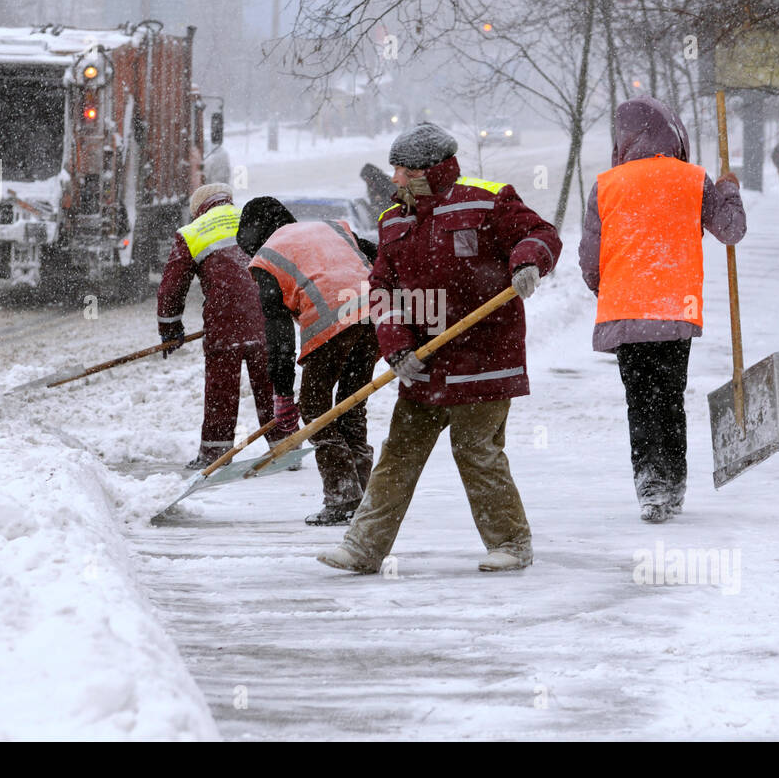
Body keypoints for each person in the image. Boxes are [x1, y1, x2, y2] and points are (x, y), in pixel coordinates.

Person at [318, 122, 562, 574]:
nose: (394, 179)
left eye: (403, 170)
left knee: (477, 451)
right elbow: (383, 292)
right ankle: (363, 547)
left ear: (432, 170)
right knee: (399, 454)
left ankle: (511, 543)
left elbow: (541, 234)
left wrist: (528, 263)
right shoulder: (394, 220)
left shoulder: (487, 200)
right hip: (423, 363)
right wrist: (395, 348)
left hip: (484, 356)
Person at [578, 96, 746, 523]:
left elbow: (590, 262)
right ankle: (673, 484)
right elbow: (731, 231)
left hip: (625, 313)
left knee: (640, 401)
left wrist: (609, 286)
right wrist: (728, 191)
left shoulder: (606, 185)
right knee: (669, 398)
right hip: (675, 311)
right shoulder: (693, 179)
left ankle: (651, 486)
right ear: (672, 131)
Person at [237, 197, 381, 525]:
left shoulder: (267, 258)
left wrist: (284, 395)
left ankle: (344, 497)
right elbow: (378, 254)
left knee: (315, 409)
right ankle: (364, 495)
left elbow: (280, 337)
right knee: (351, 406)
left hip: (332, 320)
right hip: (374, 314)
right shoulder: (331, 227)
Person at [157, 183, 277, 469]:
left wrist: (170, 328)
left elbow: (172, 288)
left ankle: (215, 454)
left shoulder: (192, 232)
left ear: (199, 209)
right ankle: (285, 444)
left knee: (221, 391)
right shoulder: (253, 219)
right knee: (271, 384)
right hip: (268, 318)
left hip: (226, 324)